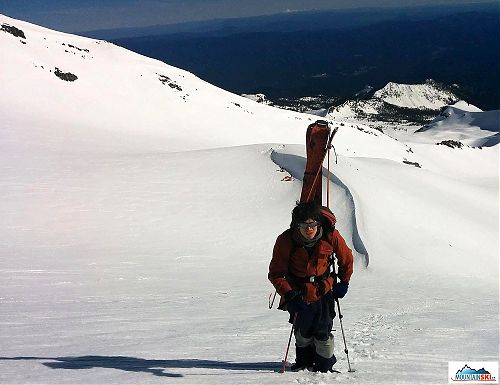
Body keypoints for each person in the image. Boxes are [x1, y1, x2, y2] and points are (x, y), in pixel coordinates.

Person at [268, 201, 353, 372]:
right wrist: (289, 294)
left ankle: (324, 366)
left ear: (318, 223)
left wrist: (343, 283)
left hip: (324, 290)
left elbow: (346, 259)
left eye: (313, 224)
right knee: (302, 330)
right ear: (296, 225)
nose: (309, 229)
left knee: (323, 330)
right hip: (298, 292)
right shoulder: (285, 240)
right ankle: (304, 362)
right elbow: (276, 274)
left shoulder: (331, 236)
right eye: (304, 225)